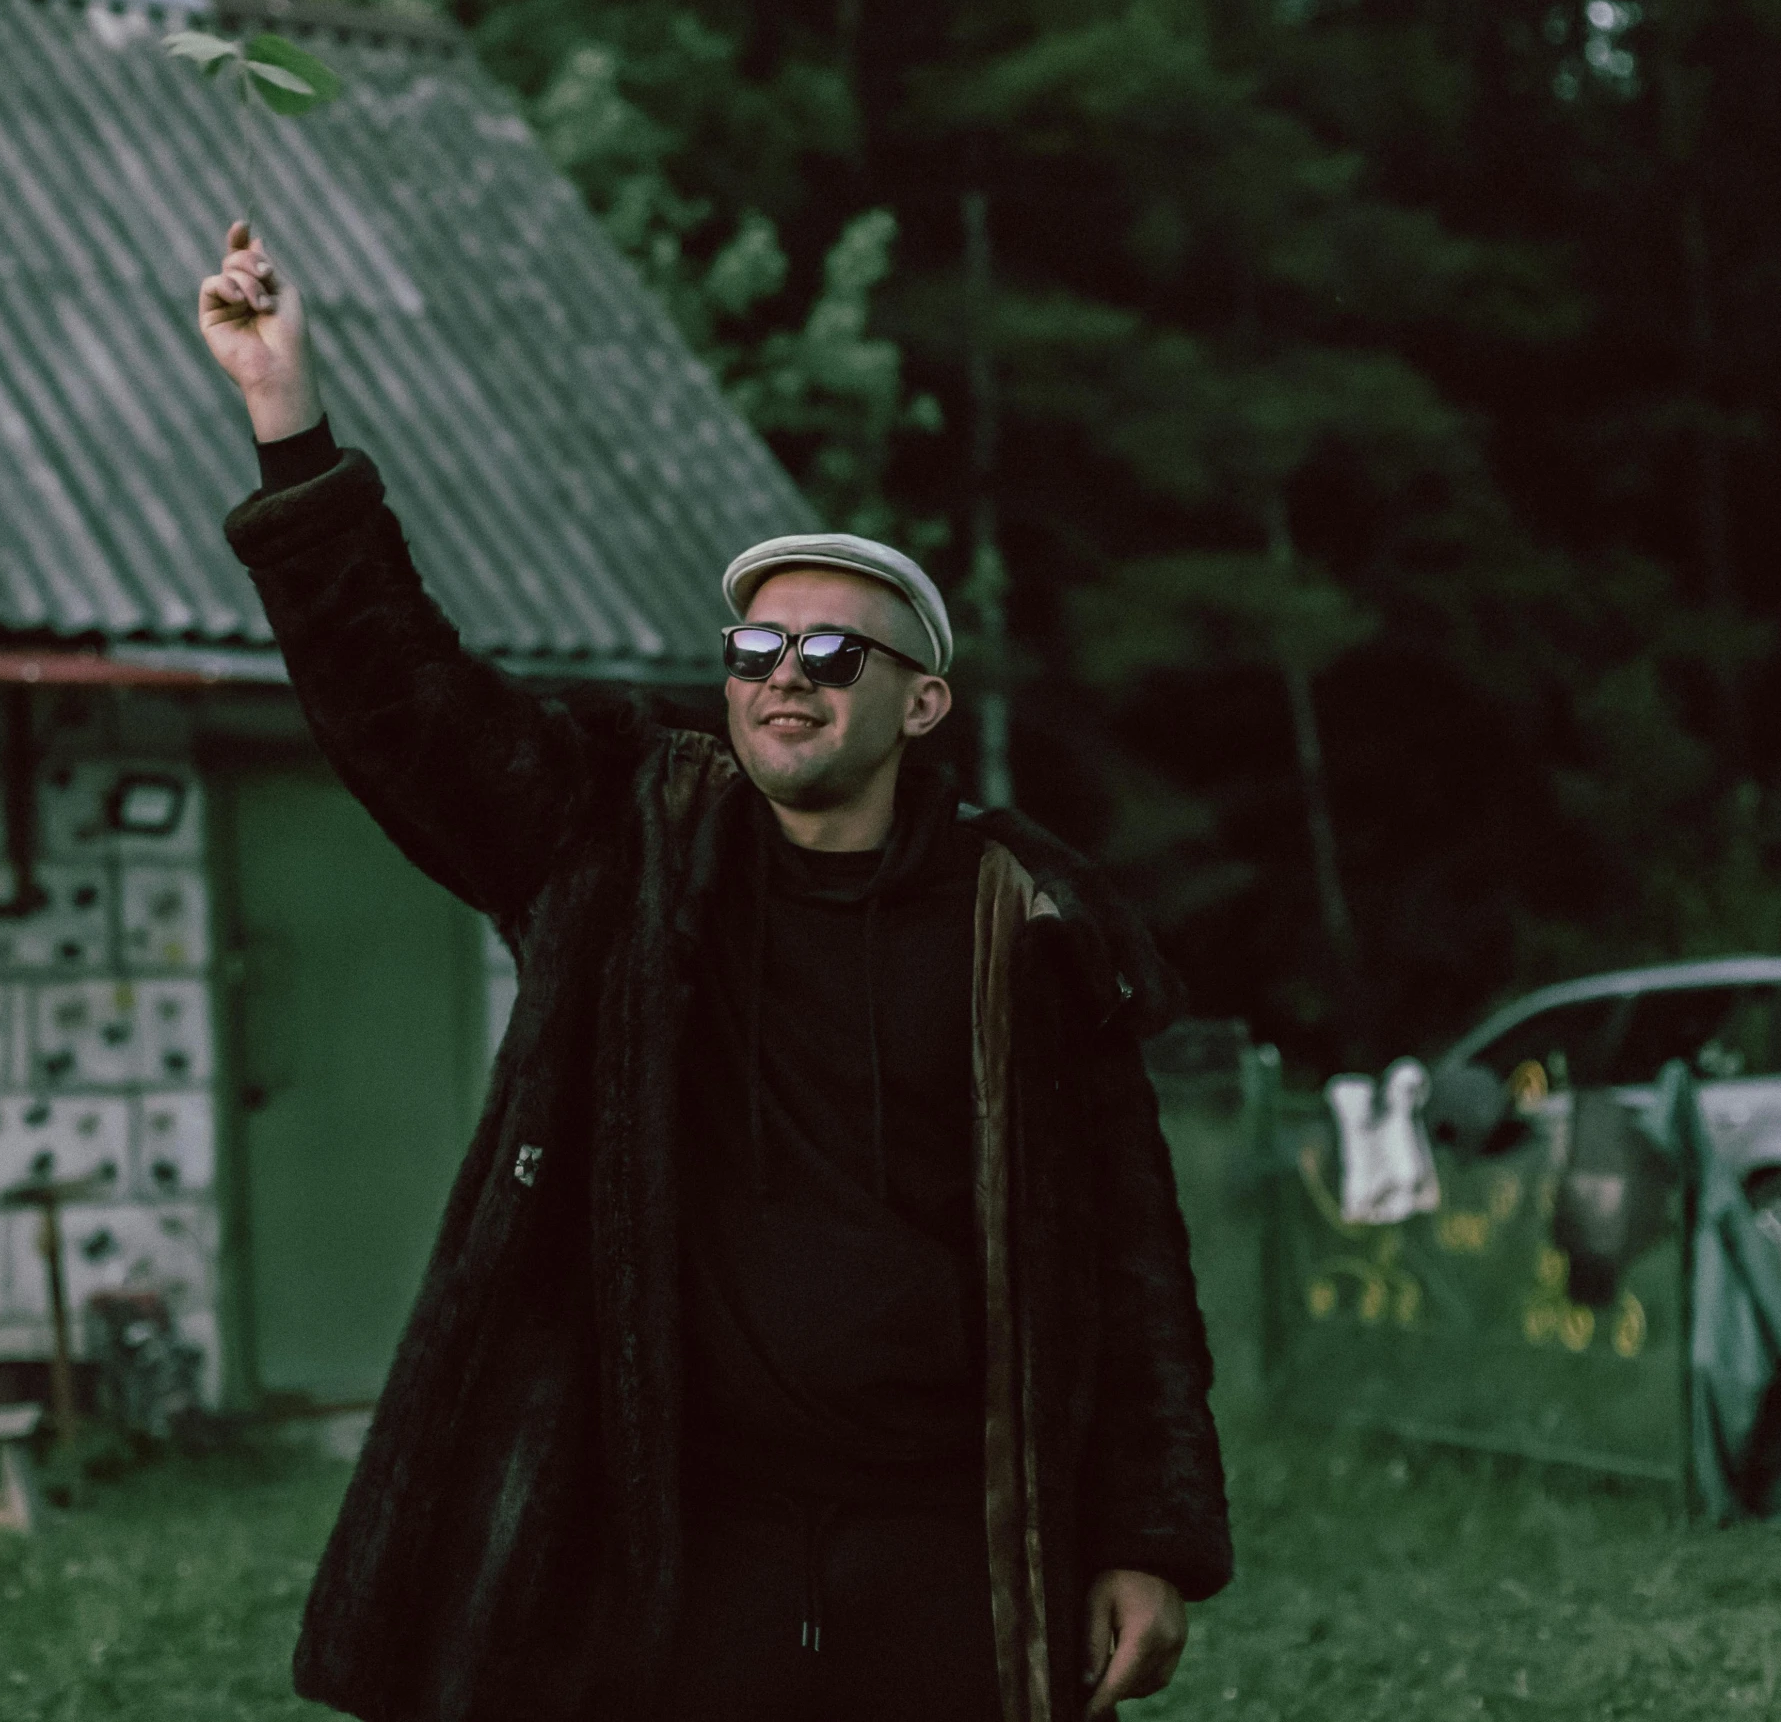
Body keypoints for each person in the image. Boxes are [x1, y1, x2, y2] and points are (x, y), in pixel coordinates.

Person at [200, 222, 1230, 1722]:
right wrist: (288, 420)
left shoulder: (1034, 926)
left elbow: (1128, 1251)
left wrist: (1146, 1538)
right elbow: (406, 702)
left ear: (922, 700)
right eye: (755, 645)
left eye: (833, 654)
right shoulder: (628, 840)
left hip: (948, 1534)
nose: (783, 675)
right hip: (679, 1529)